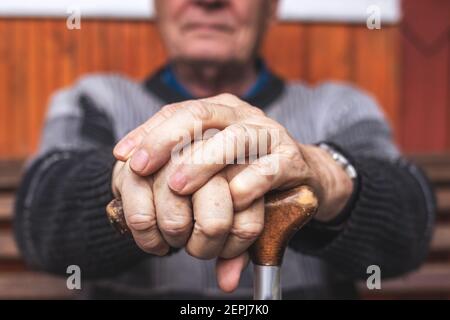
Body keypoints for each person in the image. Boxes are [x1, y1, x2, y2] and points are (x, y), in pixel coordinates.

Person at [14, 0, 435, 299]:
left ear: (272, 8)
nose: (209, 1)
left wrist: (321, 173)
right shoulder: (95, 100)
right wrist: (132, 177)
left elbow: (408, 226)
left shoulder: (340, 107)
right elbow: (44, 221)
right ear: (156, 6)